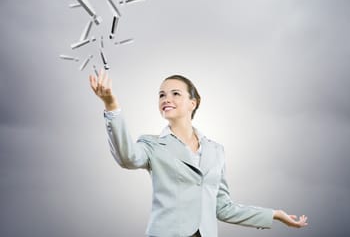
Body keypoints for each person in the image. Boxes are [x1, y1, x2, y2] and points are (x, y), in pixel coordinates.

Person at [89, 69, 308, 237]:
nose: (166, 99)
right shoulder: (152, 144)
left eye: (175, 93)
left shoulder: (216, 150)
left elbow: (222, 208)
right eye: (161, 95)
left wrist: (274, 215)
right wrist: (111, 105)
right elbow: (127, 158)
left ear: (193, 103)